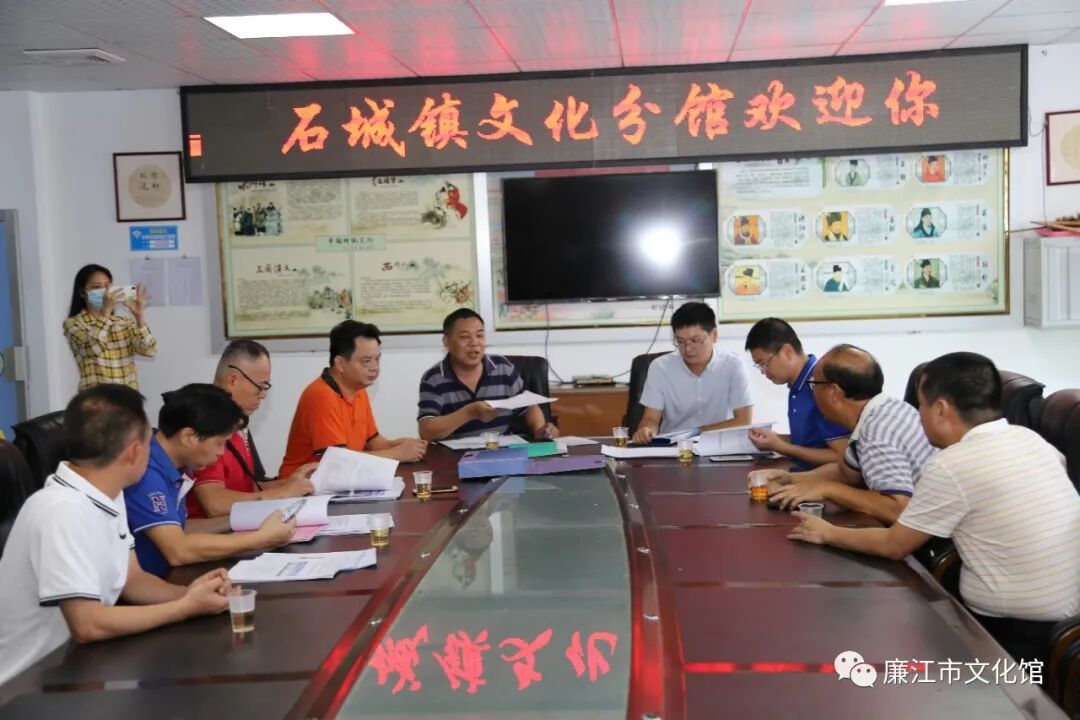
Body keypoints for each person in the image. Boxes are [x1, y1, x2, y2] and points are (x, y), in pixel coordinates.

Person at [789, 352, 1080, 661]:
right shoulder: (1030, 439)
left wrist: (826, 532)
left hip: (1010, 632)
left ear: (940, 409)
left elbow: (893, 545)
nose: (918, 416)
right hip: (1069, 622)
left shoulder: (952, 464)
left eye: (921, 406)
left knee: (875, 636)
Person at [0, 385, 230, 685]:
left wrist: (191, 594)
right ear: (134, 452)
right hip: (23, 686)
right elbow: (88, 624)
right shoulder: (61, 511)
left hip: (76, 668)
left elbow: (132, 580)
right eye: (149, 442)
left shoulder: (109, 493)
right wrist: (184, 608)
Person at [125, 384, 296, 578]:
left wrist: (242, 521)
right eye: (220, 443)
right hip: (149, 583)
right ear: (188, 437)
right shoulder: (145, 471)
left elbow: (178, 528)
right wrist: (260, 538)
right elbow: (178, 550)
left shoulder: (176, 463)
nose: (221, 453)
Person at [761, 344, 936, 524]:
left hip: (929, 536)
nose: (812, 391)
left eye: (814, 384)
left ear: (834, 393)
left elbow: (896, 509)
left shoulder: (876, 434)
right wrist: (790, 479)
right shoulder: (885, 410)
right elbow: (847, 473)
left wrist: (828, 490)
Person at [187, 340, 316, 519]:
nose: (263, 395)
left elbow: (246, 490)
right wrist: (282, 493)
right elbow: (214, 503)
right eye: (260, 387)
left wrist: (290, 483)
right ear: (233, 379)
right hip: (209, 531)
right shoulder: (204, 421)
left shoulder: (237, 421)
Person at [280, 321, 428, 476]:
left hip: (342, 478)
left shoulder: (358, 390)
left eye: (377, 359)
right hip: (303, 483)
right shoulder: (321, 396)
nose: (375, 367)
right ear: (340, 363)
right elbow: (338, 462)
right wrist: (397, 453)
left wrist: (398, 445)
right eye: (366, 361)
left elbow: (372, 443)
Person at [418, 309, 558, 441]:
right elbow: (426, 430)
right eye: (465, 337)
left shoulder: (503, 368)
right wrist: (469, 413)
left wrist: (541, 430)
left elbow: (528, 406)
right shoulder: (433, 378)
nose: (474, 343)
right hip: (455, 455)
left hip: (502, 449)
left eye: (479, 335)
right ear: (446, 342)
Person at [633, 302, 753, 443]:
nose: (688, 349)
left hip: (719, 445)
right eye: (680, 341)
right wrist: (647, 430)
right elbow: (651, 419)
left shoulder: (733, 365)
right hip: (674, 447)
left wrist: (697, 432)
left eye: (695, 340)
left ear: (714, 335)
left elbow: (744, 420)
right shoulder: (660, 367)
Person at [744, 319, 849, 470]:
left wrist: (782, 447)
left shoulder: (821, 386)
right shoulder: (798, 384)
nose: (763, 372)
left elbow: (842, 457)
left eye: (764, 363)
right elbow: (811, 443)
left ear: (787, 351)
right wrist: (774, 440)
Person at [63, 264, 156, 390]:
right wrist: (106, 312)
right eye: (96, 287)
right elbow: (93, 349)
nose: (105, 292)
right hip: (95, 397)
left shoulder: (123, 322)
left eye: (107, 286)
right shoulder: (73, 323)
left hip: (127, 396)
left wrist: (139, 316)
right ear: (82, 293)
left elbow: (149, 351)